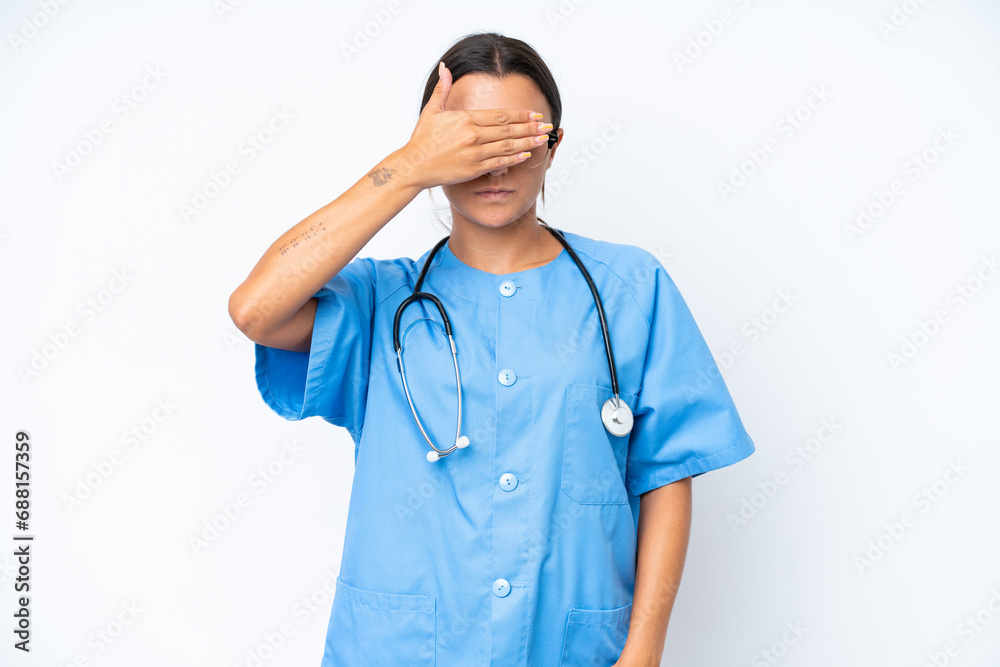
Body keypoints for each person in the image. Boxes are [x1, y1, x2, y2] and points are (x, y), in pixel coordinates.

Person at [229, 31, 755, 667]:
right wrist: (410, 167)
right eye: (471, 142)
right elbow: (255, 309)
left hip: (572, 648)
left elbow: (667, 473)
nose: (495, 164)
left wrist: (643, 650)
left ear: (554, 146)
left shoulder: (629, 288)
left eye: (518, 138)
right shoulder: (377, 301)